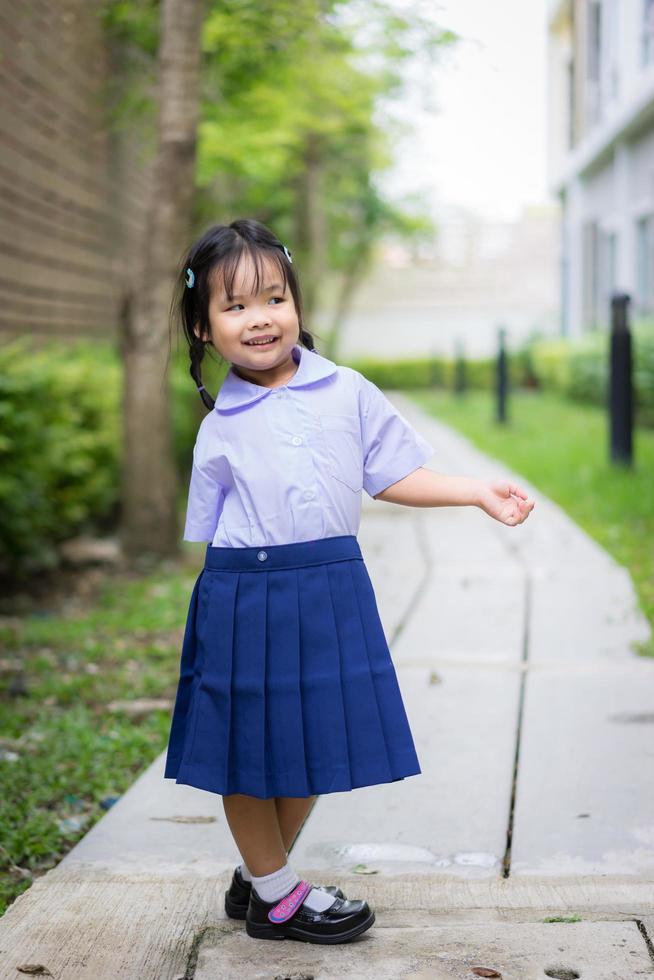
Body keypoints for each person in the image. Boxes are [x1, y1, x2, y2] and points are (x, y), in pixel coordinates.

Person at [163, 218, 535, 945]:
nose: (260, 317)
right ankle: (278, 897)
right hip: (248, 593)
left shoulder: (348, 391)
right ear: (204, 329)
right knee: (248, 750)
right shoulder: (222, 426)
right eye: (234, 306)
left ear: (297, 304)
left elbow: (393, 471)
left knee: (313, 742)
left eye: (273, 297)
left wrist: (474, 492)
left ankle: (261, 876)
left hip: (332, 584)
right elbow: (214, 539)